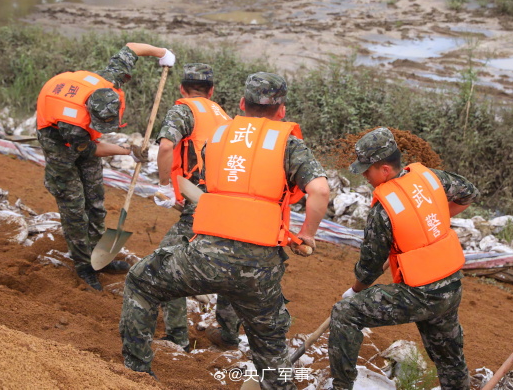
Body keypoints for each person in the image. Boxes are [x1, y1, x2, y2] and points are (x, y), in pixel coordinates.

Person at [120, 72, 330, 388]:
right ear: (282, 110)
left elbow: (216, 184)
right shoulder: (289, 142)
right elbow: (320, 191)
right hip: (259, 266)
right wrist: (308, 234)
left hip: (205, 255)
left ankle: (136, 374)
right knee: (270, 346)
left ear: (242, 104)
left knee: (140, 282)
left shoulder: (218, 136)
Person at [328, 127, 479, 390]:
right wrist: (431, 224)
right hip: (451, 286)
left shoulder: (383, 209)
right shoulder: (430, 178)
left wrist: (354, 291)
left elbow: (369, 268)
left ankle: (341, 386)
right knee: (448, 356)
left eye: (367, 169)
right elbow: (469, 193)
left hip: (421, 294)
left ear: (384, 169)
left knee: (345, 313)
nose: (364, 175)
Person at [36, 42, 175, 290]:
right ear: (90, 113)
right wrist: (126, 151)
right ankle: (83, 265)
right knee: (75, 206)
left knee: (95, 200)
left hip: (79, 132)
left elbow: (131, 48)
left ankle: (98, 253)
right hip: (57, 138)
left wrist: (162, 54)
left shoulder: (110, 81)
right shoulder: (73, 125)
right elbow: (92, 149)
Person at [153, 62, 236, 351]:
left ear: (181, 88)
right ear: (212, 91)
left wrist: (164, 186)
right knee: (234, 263)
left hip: (200, 205)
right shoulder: (224, 116)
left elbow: (165, 147)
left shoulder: (183, 109)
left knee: (165, 263)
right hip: (229, 202)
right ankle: (228, 333)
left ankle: (177, 336)